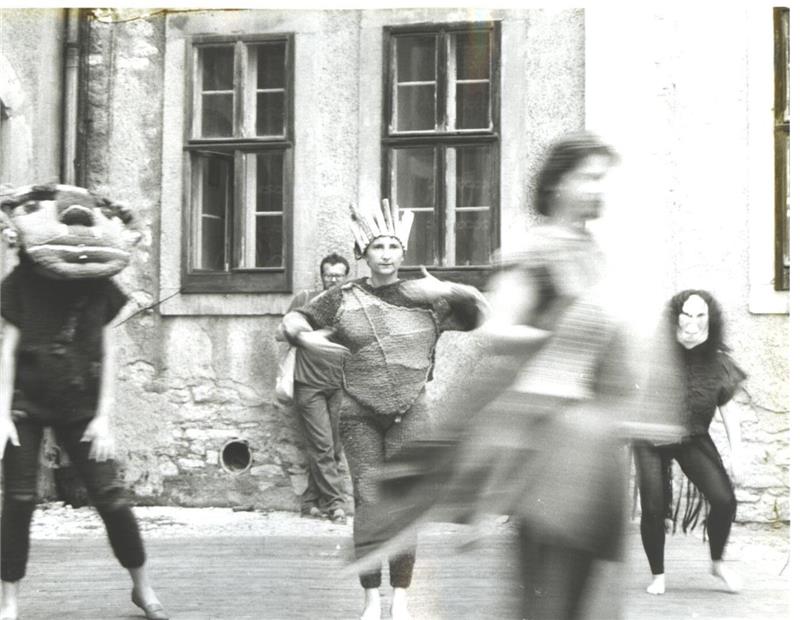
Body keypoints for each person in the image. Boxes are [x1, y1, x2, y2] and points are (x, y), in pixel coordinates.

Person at [280, 199, 488, 620]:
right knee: (372, 503)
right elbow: (294, 320)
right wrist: (304, 337)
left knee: (406, 505)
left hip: (412, 410)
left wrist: (449, 289)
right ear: (364, 253)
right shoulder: (342, 297)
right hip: (359, 412)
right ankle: (371, 600)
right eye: (378, 247)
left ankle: (402, 599)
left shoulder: (427, 297)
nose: (387, 254)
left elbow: (478, 315)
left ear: (403, 254)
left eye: (394, 246)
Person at [0, 184, 167, 620]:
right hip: (26, 405)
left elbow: (110, 350)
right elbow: (8, 349)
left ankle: (143, 589)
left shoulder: (99, 283)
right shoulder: (22, 280)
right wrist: (1, 415)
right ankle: (9, 601)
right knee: (18, 500)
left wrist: (104, 418)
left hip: (82, 408)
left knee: (111, 497)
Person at [633, 289, 744, 595]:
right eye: (687, 314)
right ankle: (658, 574)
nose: (693, 323)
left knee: (724, 499)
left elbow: (728, 410)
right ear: (676, 317)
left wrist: (737, 454)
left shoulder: (718, 362)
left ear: (711, 319)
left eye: (700, 315)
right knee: (654, 507)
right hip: (650, 436)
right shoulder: (654, 352)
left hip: (692, 436)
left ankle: (717, 563)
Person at [281, 252, 350, 522]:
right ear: (321, 276)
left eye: (338, 275)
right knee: (322, 445)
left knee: (331, 448)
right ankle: (336, 505)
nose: (332, 280)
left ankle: (310, 500)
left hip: (339, 384)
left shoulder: (351, 303)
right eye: (328, 274)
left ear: (346, 277)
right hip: (308, 385)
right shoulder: (305, 300)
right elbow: (282, 332)